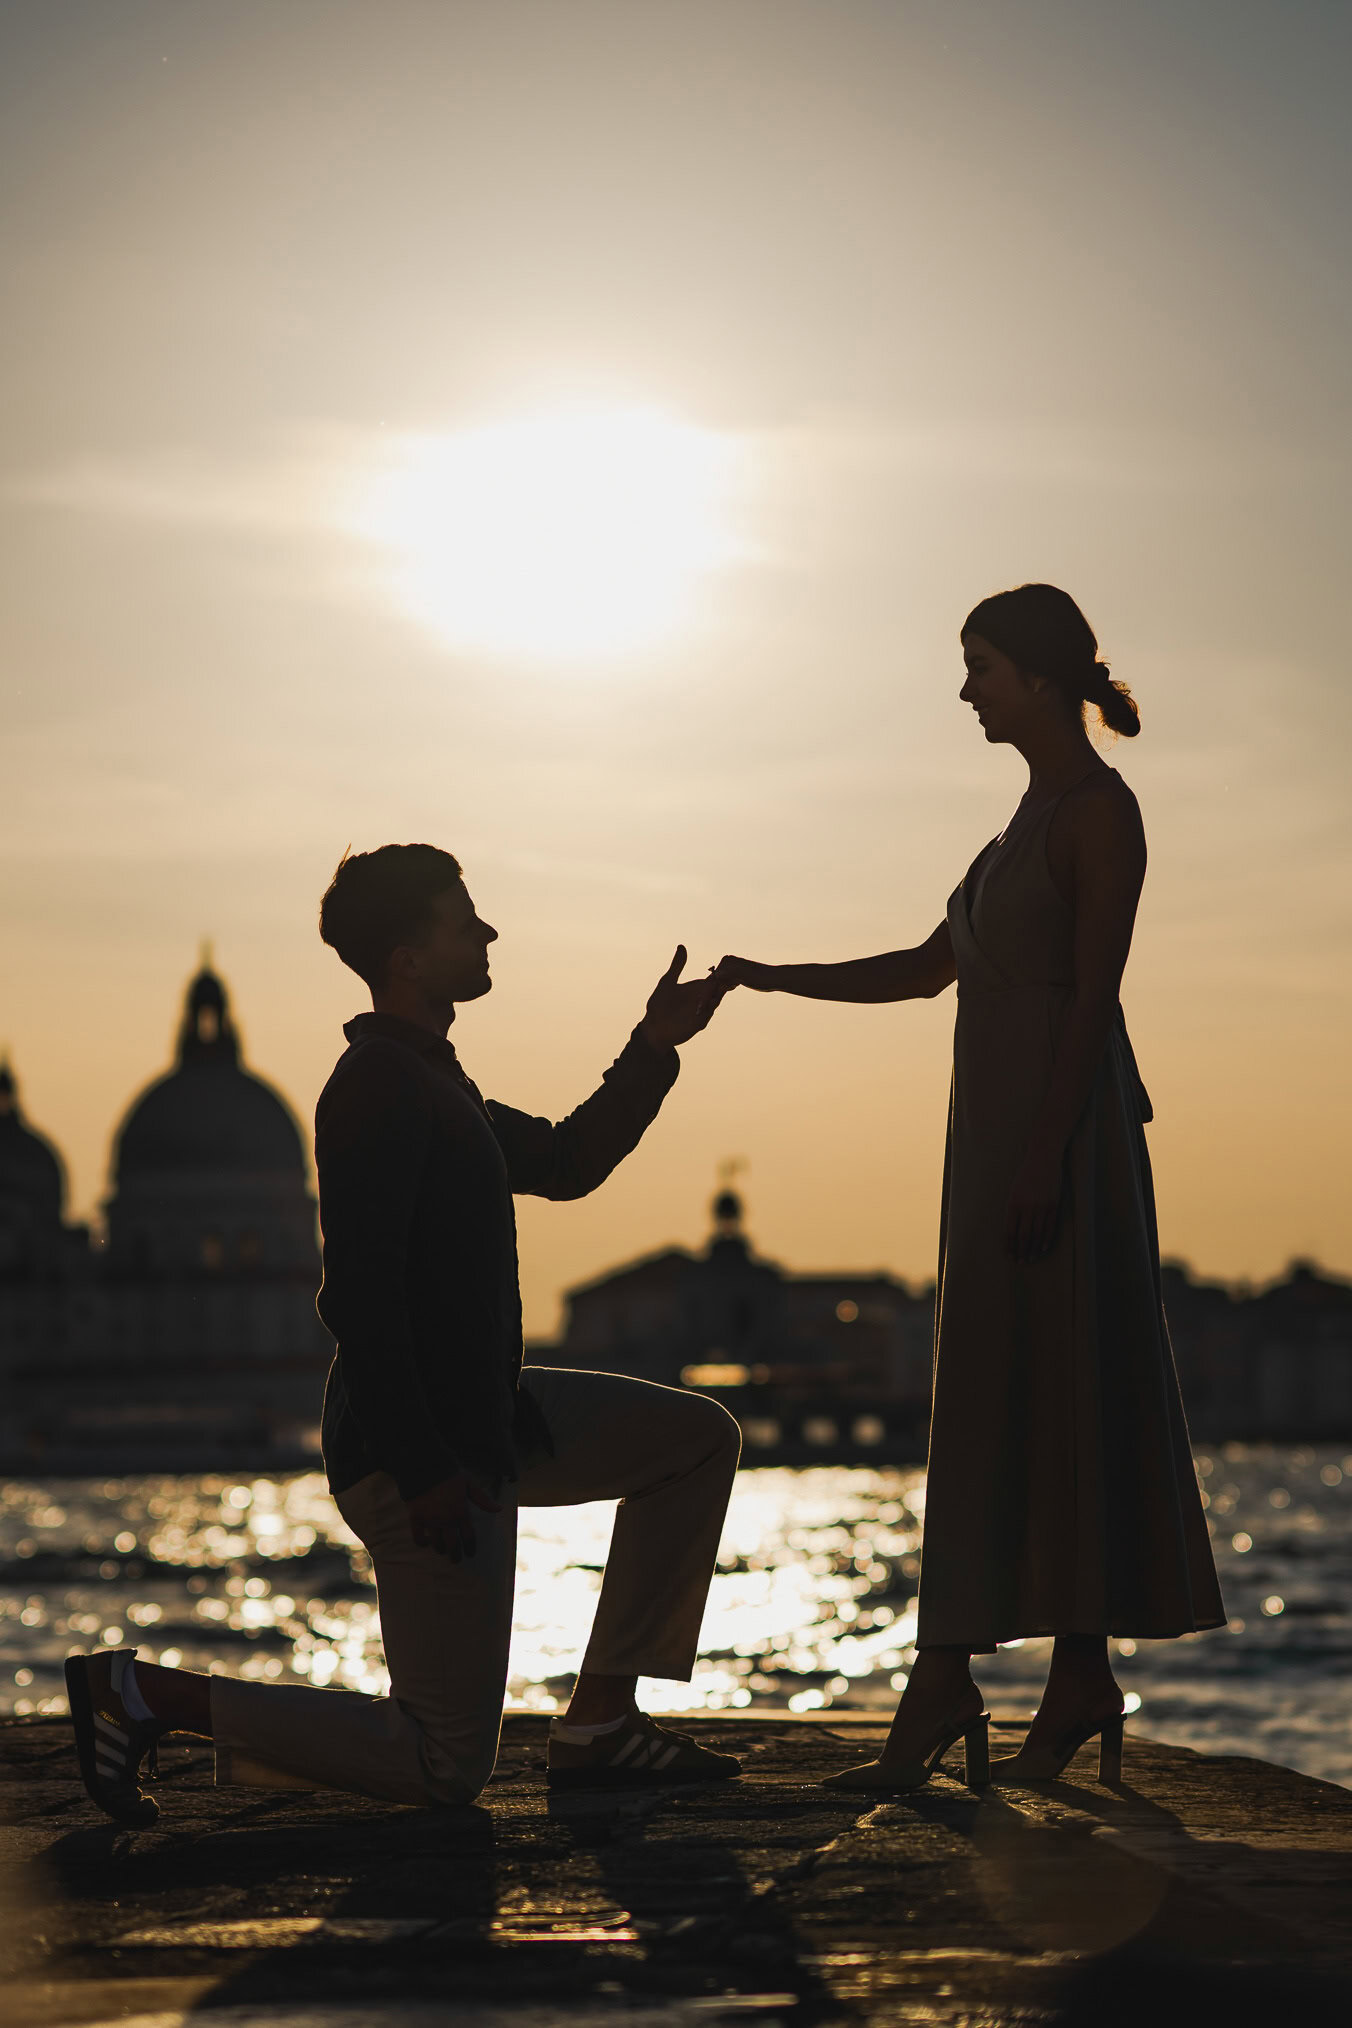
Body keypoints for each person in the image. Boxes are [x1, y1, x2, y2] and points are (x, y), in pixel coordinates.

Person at [67, 844, 742, 1826]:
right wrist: (425, 1470)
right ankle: (144, 1696)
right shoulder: (378, 1085)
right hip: (415, 1448)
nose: (488, 932)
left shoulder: (436, 1081)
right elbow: (362, 1300)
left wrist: (653, 1045)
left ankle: (600, 1719)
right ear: (408, 955)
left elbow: (563, 1161)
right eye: (464, 917)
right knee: (444, 1764)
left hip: (487, 1419)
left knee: (693, 1440)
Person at [714, 583, 1223, 1792]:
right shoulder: (1013, 828)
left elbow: (1092, 997)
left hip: (1060, 1139)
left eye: (980, 667)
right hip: (997, 1141)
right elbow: (923, 968)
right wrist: (767, 976)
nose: (964, 692)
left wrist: (1045, 1152)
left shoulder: (1100, 813)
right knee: (1007, 1391)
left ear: (1040, 677)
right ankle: (1044, 1675)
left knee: (1056, 1384)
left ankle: (974, 1680)